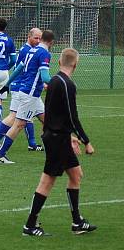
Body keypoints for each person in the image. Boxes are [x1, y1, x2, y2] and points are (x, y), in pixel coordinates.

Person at [22, 48, 96, 237]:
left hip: (57, 136)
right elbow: (72, 117)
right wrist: (85, 141)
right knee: (47, 181)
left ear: (59, 62)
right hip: (57, 139)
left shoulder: (54, 80)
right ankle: (30, 225)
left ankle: (77, 222)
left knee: (76, 175)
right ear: (76, 64)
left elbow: (53, 112)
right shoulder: (67, 84)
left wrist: (68, 136)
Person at [0, 29, 54, 164]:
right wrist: (61, 82)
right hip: (30, 94)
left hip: (27, 92)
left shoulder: (31, 50)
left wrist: (7, 84)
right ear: (51, 42)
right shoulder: (44, 54)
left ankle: (56, 148)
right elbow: (45, 77)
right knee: (19, 124)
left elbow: (18, 69)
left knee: (48, 120)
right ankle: (0, 155)